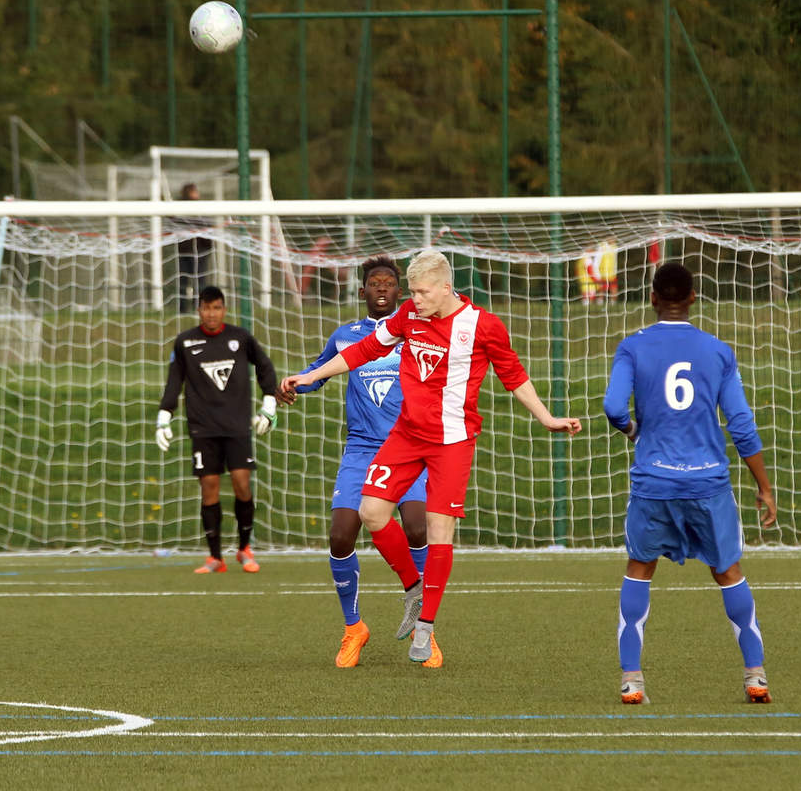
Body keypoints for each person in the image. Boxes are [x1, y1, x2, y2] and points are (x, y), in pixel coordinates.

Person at [280, 248, 581, 665]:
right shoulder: (409, 316)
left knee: (438, 532)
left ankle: (425, 628)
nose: (414, 299)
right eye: (413, 292)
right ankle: (413, 588)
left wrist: (547, 418)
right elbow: (365, 350)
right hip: (405, 436)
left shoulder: (483, 326)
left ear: (445, 287)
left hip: (451, 443)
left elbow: (513, 375)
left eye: (421, 292)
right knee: (371, 513)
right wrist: (310, 375)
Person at [603, 262, 777, 705]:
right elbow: (740, 423)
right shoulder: (716, 350)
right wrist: (764, 486)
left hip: (654, 484)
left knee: (640, 568)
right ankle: (755, 674)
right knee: (729, 572)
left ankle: (631, 679)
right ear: (694, 297)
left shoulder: (632, 347)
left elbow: (612, 407)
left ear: (654, 298)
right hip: (708, 484)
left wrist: (633, 432)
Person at [277, 256, 438, 668]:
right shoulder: (347, 336)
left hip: (409, 446)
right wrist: (296, 383)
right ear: (362, 291)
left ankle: (424, 628)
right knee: (340, 535)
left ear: (400, 292)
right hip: (362, 449)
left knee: (419, 525)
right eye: (374, 283)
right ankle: (354, 628)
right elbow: (320, 372)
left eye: (389, 283)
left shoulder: (419, 332)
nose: (382, 288)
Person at [156, 286, 279, 574]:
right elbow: (174, 381)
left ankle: (244, 549)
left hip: (236, 426)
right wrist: (164, 415)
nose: (211, 313)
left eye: (216, 307)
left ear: (224, 309)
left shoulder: (240, 338)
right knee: (209, 488)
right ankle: (215, 558)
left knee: (241, 483)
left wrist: (269, 403)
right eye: (206, 308)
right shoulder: (185, 342)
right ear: (199, 310)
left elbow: (265, 367)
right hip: (202, 428)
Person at [175, 183, 214, 314]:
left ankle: (198, 306)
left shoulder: (201, 208)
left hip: (200, 250)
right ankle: (182, 309)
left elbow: (207, 226)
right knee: (184, 280)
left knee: (199, 281)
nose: (197, 193)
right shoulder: (180, 208)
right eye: (194, 191)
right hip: (185, 250)